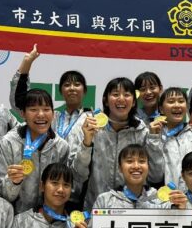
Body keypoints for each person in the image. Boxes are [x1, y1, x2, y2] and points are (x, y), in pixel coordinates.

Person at [69, 77, 164, 210]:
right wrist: (86, 144)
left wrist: (154, 139)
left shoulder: (142, 131)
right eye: (115, 94)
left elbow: (156, 175)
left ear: (133, 102)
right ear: (106, 101)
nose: (121, 99)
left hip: (132, 210)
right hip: (96, 207)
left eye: (127, 95)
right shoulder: (90, 126)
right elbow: (78, 174)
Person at [0, 89, 90, 213]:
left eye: (46, 109)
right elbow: (0, 194)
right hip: (15, 218)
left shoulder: (61, 147)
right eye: (33, 109)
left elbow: (72, 183)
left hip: (49, 217)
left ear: (53, 113)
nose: (41, 114)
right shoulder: (8, 143)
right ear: (23, 113)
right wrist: (13, 182)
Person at [5, 163, 94, 228]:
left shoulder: (77, 227)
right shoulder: (21, 221)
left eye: (66, 185)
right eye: (55, 183)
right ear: (42, 186)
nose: (60, 189)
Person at [9, 44, 90, 138]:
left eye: (77, 84)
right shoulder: (51, 117)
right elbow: (19, 103)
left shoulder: (93, 119)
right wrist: (27, 62)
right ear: (60, 91)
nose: (72, 88)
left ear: (85, 90)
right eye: (67, 85)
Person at [92, 144, 161, 209]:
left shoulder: (160, 200)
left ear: (148, 167)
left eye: (141, 161)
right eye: (130, 161)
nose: (136, 166)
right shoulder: (104, 201)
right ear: (120, 168)